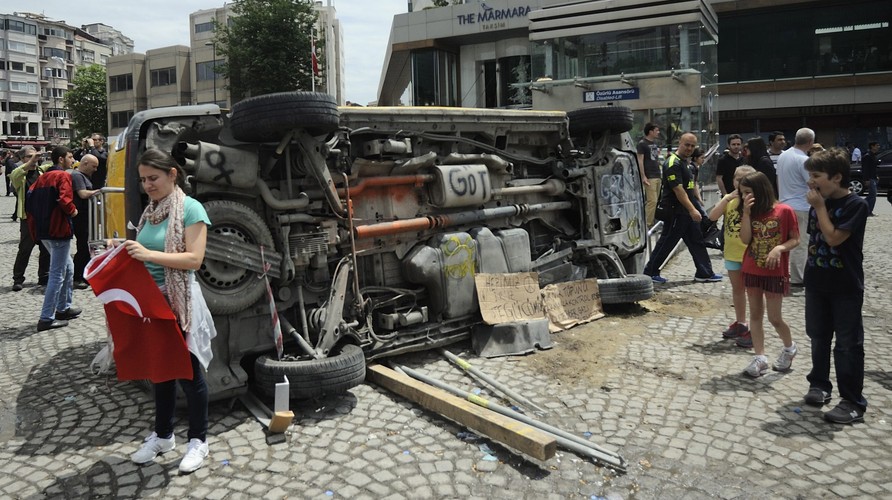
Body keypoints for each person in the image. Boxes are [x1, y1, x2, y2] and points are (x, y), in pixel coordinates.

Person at [122, 148, 214, 473]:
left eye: (153, 178)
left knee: (189, 374)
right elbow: (144, 252)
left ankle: (199, 440)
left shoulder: (190, 208)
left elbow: (194, 259)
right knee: (160, 372)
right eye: (143, 179)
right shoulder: (152, 211)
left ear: (172, 174)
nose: (147, 185)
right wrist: (122, 250)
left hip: (179, 301)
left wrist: (147, 255)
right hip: (152, 304)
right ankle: (163, 436)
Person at [802, 148, 869, 423]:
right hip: (817, 282)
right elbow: (815, 239)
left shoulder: (855, 205)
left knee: (847, 345)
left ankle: (852, 401)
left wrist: (820, 208)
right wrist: (818, 206)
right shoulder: (819, 201)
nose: (811, 182)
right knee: (818, 337)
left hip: (845, 286)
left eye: (816, 176)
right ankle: (819, 385)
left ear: (837, 177)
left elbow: (832, 238)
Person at [738, 171, 800, 378]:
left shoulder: (784, 210)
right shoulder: (750, 212)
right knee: (755, 315)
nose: (744, 196)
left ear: (760, 190)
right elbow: (745, 240)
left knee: (775, 318)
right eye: (742, 193)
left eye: (748, 192)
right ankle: (760, 357)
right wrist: (746, 214)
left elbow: (795, 239)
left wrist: (779, 248)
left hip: (775, 272)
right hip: (752, 268)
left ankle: (789, 348)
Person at [643, 132, 721, 284]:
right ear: (680, 143)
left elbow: (689, 188)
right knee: (667, 242)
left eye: (692, 146)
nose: (689, 148)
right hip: (675, 212)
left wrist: (694, 207)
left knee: (696, 241)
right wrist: (692, 209)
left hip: (686, 212)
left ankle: (704, 272)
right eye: (687, 145)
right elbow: (678, 190)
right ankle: (650, 272)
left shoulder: (685, 163)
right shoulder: (673, 163)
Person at [26, 146, 80, 332]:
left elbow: (29, 201)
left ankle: (63, 308)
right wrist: (73, 211)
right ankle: (46, 318)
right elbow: (65, 200)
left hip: (44, 230)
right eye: (70, 157)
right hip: (58, 230)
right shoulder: (62, 176)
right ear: (61, 159)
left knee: (68, 269)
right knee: (58, 274)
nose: (72, 160)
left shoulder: (42, 177)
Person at [708, 165, 756, 343]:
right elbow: (712, 216)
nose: (740, 183)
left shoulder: (755, 201)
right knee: (738, 290)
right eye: (738, 179)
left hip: (750, 254)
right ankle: (741, 322)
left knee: (753, 293)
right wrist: (727, 198)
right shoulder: (729, 200)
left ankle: (755, 329)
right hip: (732, 253)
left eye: (745, 180)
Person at [776, 128, 815, 287]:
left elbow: (778, 179)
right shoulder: (804, 160)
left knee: (785, 241)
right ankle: (798, 278)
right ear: (810, 142)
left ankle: (783, 272)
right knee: (799, 242)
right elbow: (811, 183)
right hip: (800, 205)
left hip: (784, 204)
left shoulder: (783, 155)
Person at [9, 146, 51, 291]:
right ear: (22, 159)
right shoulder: (19, 174)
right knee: (25, 249)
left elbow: (57, 165)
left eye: (35, 156)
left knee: (45, 248)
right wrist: (32, 160)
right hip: (28, 217)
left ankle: (44, 277)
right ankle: (18, 278)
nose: (34, 159)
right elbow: (14, 175)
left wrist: (52, 154)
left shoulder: (42, 171)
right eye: (29, 156)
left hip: (43, 216)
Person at [70, 154, 101, 288]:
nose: (95, 170)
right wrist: (100, 191)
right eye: (94, 166)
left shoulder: (85, 176)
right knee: (82, 246)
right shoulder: (77, 176)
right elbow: (82, 194)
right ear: (85, 163)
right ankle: (77, 277)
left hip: (87, 216)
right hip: (81, 217)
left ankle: (85, 275)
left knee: (87, 247)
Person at [637, 122, 662, 227]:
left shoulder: (654, 144)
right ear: (650, 131)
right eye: (656, 130)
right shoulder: (642, 144)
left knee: (656, 201)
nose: (658, 132)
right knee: (652, 200)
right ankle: (647, 224)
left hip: (657, 174)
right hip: (649, 175)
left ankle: (652, 222)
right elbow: (640, 160)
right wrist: (643, 176)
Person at [860, 141, 879, 216]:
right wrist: (866, 179)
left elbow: (873, 168)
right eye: (877, 145)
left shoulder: (873, 155)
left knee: (872, 195)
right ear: (872, 146)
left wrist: (876, 176)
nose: (878, 147)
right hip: (870, 178)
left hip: (874, 177)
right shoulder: (867, 156)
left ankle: (865, 209)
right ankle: (866, 209)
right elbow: (865, 169)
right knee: (872, 196)